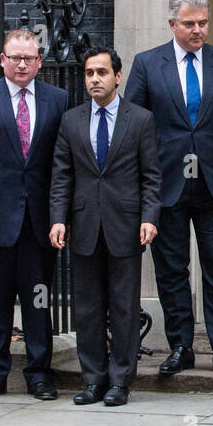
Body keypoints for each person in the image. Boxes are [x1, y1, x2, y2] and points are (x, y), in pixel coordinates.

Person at [124, 0, 213, 375]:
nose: (198, 30)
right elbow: (133, 125)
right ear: (172, 25)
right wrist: (140, 185)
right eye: (189, 24)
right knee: (171, 270)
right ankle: (180, 346)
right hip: (166, 184)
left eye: (203, 23)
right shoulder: (148, 64)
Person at [0, 29, 68, 400]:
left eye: (30, 58)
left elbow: (61, 165)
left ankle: (39, 373)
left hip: (39, 222)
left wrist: (59, 217)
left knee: (38, 299)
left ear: (39, 61)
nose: (22, 64)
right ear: (2, 59)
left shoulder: (58, 99)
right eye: (15, 57)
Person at [49, 48, 161, 407]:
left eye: (101, 72)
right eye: (88, 73)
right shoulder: (71, 121)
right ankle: (93, 379)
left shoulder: (141, 120)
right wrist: (57, 219)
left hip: (125, 225)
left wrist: (149, 217)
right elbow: (61, 176)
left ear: (118, 75)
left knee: (124, 306)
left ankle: (120, 380)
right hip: (83, 226)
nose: (94, 79)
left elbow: (151, 177)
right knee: (87, 308)